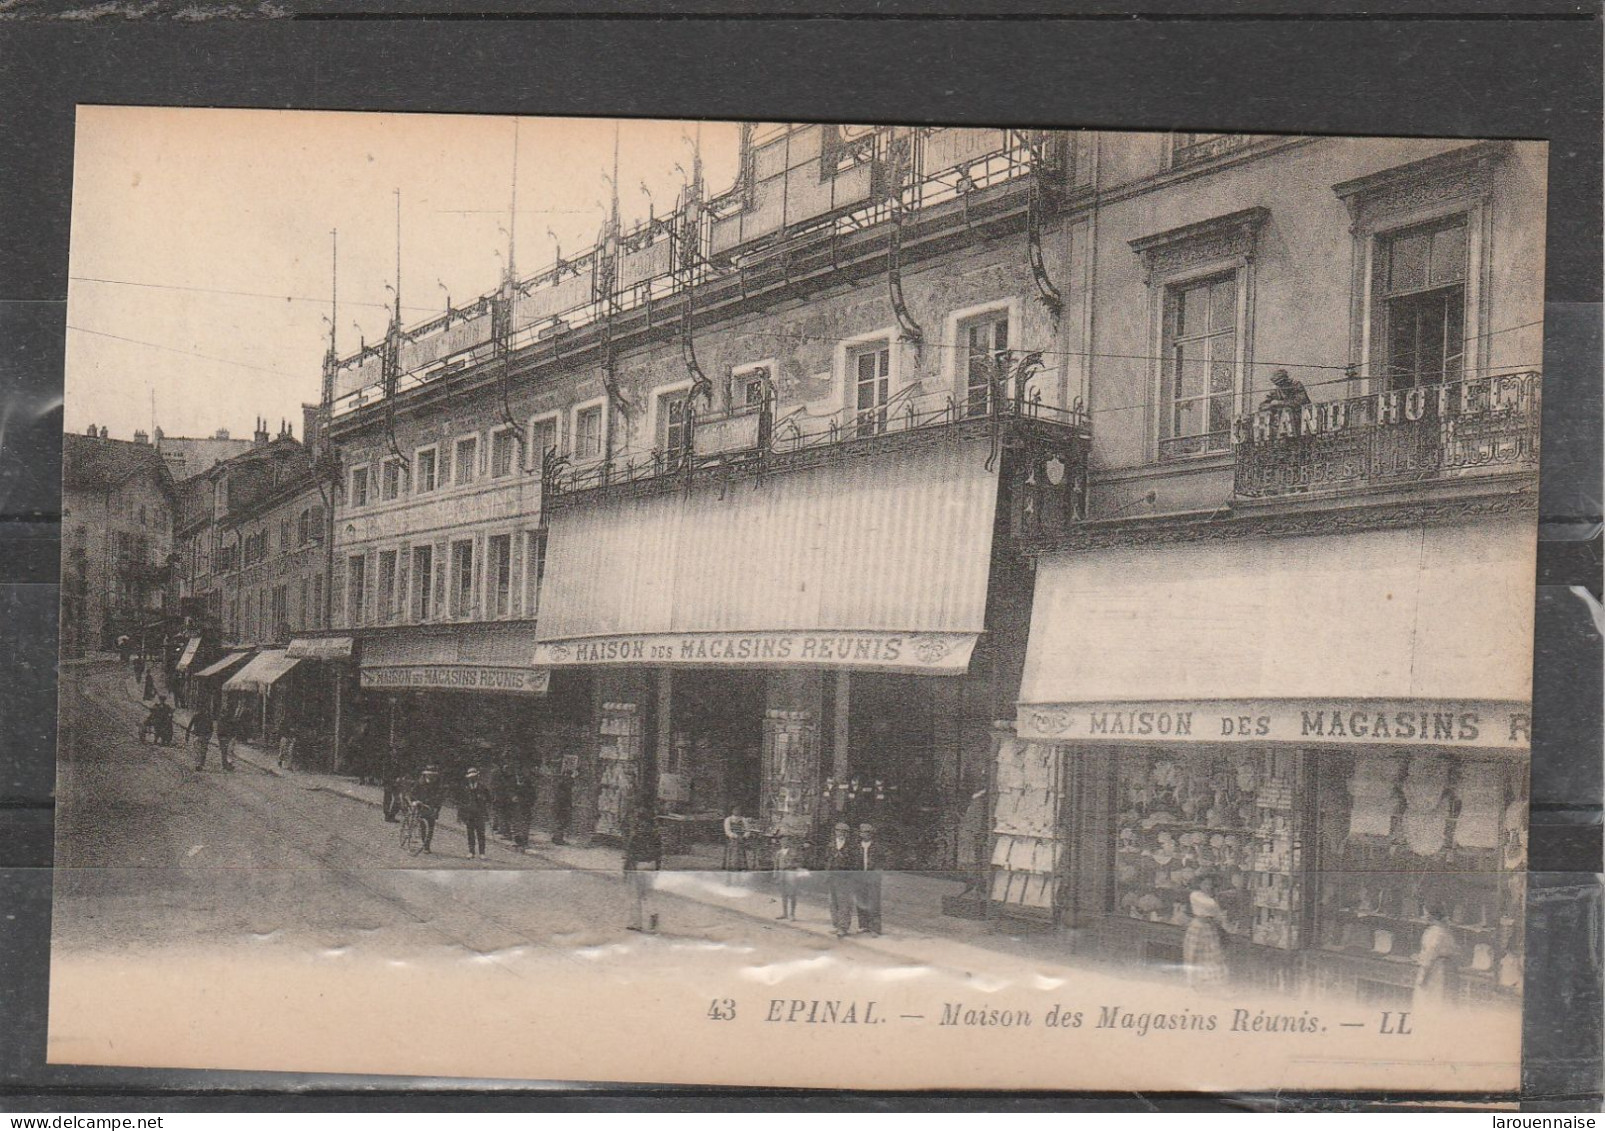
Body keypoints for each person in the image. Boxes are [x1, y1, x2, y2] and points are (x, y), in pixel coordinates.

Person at [1183, 873, 1230, 991]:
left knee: (1213, 955)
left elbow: (1219, 915)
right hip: (1198, 925)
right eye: (1205, 884)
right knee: (1194, 955)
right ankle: (1193, 985)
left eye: (1210, 884)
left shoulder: (1210, 896)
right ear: (1199, 884)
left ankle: (1214, 985)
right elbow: (1211, 905)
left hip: (1210, 926)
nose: (1208, 886)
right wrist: (1218, 897)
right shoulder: (1196, 895)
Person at [623, 803, 663, 932]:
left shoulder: (636, 834)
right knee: (647, 893)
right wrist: (657, 868)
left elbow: (631, 853)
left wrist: (626, 869)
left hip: (637, 865)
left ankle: (636, 923)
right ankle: (653, 912)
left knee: (635, 895)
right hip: (651, 864)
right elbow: (659, 853)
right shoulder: (655, 834)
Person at [1413, 904, 1461, 1011]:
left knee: (1432, 1000)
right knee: (1444, 1000)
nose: (1423, 916)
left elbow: (1430, 956)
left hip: (1435, 971)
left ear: (1431, 915)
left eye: (1425, 913)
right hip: (1447, 970)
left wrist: (1422, 977)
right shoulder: (1446, 931)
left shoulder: (1434, 933)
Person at [854, 822, 886, 936]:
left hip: (872, 876)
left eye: (867, 833)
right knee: (861, 901)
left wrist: (878, 870)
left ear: (871, 834)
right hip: (860, 876)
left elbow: (884, 859)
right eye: (863, 832)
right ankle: (863, 925)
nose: (865, 835)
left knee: (874, 902)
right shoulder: (856, 846)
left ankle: (875, 928)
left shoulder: (877, 847)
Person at [825, 822, 857, 938]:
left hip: (845, 877)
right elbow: (827, 860)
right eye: (839, 831)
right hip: (832, 876)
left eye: (844, 831)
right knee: (833, 902)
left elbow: (854, 862)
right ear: (835, 832)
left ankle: (843, 927)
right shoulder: (831, 844)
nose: (841, 833)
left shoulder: (852, 846)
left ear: (847, 834)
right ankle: (836, 925)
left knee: (844, 902)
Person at [459, 766, 491, 860]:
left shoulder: (483, 787)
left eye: (474, 777)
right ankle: (471, 852)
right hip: (469, 814)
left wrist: (484, 800)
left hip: (480, 813)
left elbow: (489, 799)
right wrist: (461, 815)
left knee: (481, 833)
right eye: (470, 777)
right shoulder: (465, 788)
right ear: (468, 778)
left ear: (477, 777)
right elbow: (461, 802)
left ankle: (482, 853)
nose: (472, 778)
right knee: (470, 833)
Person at [773, 833, 805, 921]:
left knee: (792, 894)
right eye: (782, 840)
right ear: (779, 841)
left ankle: (792, 914)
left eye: (786, 840)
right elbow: (776, 864)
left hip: (791, 873)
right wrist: (775, 874)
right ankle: (784, 913)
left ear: (789, 841)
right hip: (781, 873)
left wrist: (793, 865)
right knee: (783, 894)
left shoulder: (794, 851)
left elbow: (800, 862)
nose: (784, 842)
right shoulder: (778, 853)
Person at [413, 765, 444, 854]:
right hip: (421, 806)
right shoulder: (419, 783)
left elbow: (440, 797)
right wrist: (415, 801)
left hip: (432, 807)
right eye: (429, 774)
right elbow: (413, 793)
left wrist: (437, 808)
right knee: (423, 826)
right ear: (425, 774)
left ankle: (427, 846)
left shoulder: (437, 785)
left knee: (431, 827)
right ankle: (424, 843)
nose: (431, 776)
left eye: (433, 775)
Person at [551, 760, 575, 846]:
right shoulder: (562, 786)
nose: (569, 777)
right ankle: (558, 838)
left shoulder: (564, 784)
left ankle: (556, 837)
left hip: (562, 805)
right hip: (561, 806)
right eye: (568, 775)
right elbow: (562, 798)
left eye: (570, 775)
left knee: (562, 822)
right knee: (561, 822)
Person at [187, 701, 215, 770]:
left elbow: (211, 728)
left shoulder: (207, 717)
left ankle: (200, 764)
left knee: (202, 751)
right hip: (198, 735)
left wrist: (209, 736)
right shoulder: (197, 716)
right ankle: (199, 764)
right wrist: (187, 735)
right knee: (198, 750)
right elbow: (190, 725)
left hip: (204, 736)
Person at [213, 703, 237, 772]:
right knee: (224, 752)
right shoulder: (221, 721)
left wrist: (233, 735)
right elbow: (219, 730)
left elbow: (233, 728)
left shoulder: (230, 720)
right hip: (223, 737)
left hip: (228, 737)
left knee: (229, 751)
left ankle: (228, 764)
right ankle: (225, 765)